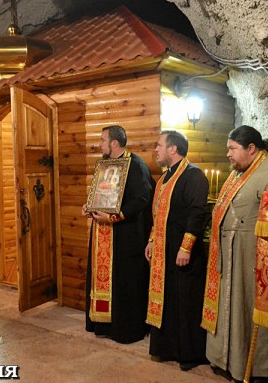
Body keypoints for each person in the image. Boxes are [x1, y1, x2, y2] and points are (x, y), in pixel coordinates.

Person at [202, 125, 268, 382]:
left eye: (232, 149)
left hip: (253, 258)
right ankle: (225, 359)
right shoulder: (236, 174)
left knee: (245, 309)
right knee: (229, 307)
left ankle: (255, 366)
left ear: (251, 149)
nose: (228, 154)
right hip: (230, 254)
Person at [144, 130, 209, 371]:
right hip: (163, 249)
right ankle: (167, 347)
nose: (156, 150)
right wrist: (152, 240)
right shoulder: (164, 179)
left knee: (185, 301)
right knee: (169, 300)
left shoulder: (193, 176)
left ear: (173, 149)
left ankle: (188, 354)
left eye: (159, 145)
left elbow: (197, 214)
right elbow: (157, 215)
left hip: (183, 251)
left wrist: (185, 247)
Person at [81, 125, 152, 344]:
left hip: (125, 232)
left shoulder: (136, 164)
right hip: (102, 231)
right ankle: (103, 324)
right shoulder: (104, 164)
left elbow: (142, 198)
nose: (99, 144)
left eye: (102, 140)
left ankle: (125, 328)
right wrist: (89, 207)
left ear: (114, 143)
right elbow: (102, 195)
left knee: (125, 280)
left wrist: (114, 217)